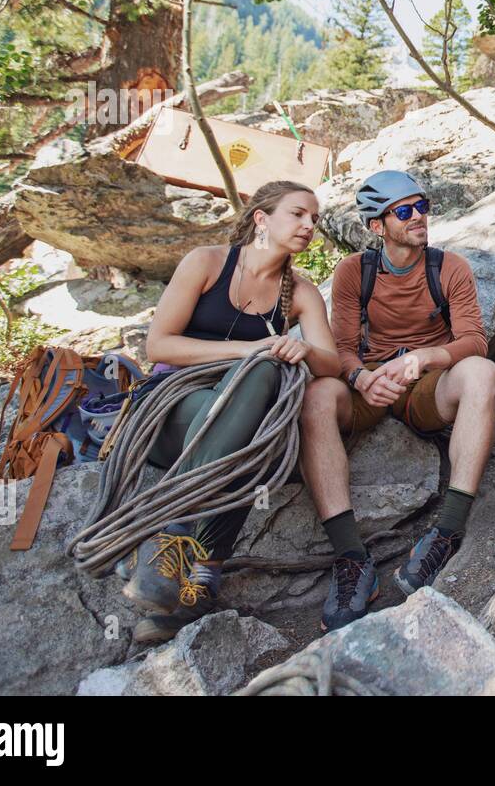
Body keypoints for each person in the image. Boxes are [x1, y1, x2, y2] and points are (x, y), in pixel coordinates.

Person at [120, 180, 340, 645]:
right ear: (261, 218)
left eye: (315, 219)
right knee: (257, 378)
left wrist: (300, 349)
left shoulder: (300, 293)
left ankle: (183, 560)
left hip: (233, 425)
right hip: (170, 410)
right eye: (298, 214)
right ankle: (193, 557)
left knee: (261, 394)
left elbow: (331, 363)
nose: (309, 225)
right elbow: (159, 345)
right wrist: (250, 348)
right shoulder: (206, 263)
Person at [298, 170, 495, 632]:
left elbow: (474, 341)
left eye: (422, 206)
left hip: (426, 387)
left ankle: (447, 530)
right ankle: (352, 559)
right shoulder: (354, 271)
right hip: (371, 385)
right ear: (377, 226)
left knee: (482, 373)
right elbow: (341, 348)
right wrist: (360, 377)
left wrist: (426, 356)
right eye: (404, 211)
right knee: (317, 395)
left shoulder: (449, 268)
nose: (418, 217)